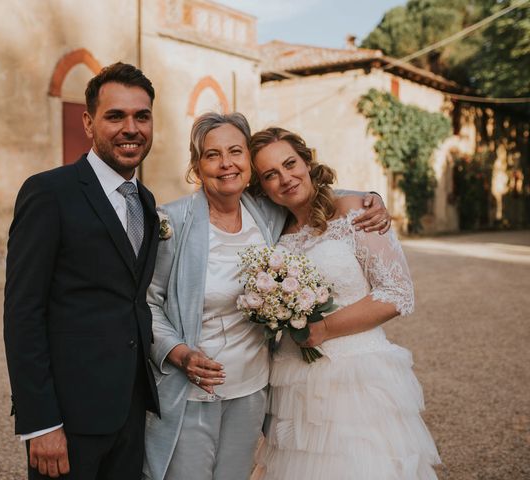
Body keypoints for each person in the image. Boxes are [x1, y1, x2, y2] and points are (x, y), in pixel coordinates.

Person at [142, 113, 391, 480]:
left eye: (235, 152)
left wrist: (371, 199)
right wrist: (179, 353)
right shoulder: (172, 222)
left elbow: (306, 192)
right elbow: (147, 302)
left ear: (248, 165)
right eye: (212, 155)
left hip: (253, 389)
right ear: (197, 166)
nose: (226, 163)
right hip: (192, 389)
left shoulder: (265, 212)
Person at [249, 127, 441, 480]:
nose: (285, 178)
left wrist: (322, 329)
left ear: (307, 161)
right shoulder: (271, 232)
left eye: (290, 164)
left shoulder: (357, 211)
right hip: (294, 383)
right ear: (261, 187)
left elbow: (398, 293)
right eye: (270, 175)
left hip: (357, 376)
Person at [4, 62, 160, 479]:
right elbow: (23, 314)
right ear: (89, 122)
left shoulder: (144, 201)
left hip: (129, 409)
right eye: (116, 116)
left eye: (141, 116)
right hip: (69, 419)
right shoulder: (49, 193)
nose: (131, 128)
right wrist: (41, 423)